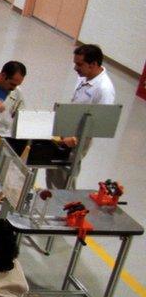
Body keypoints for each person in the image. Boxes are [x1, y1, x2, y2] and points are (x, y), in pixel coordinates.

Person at [47, 44, 116, 189]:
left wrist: (76, 139)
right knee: (52, 169)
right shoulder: (84, 76)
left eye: (79, 64)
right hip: (66, 130)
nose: (75, 68)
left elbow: (101, 122)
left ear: (93, 64)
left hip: (78, 138)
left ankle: (66, 207)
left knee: (66, 176)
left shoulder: (104, 89)